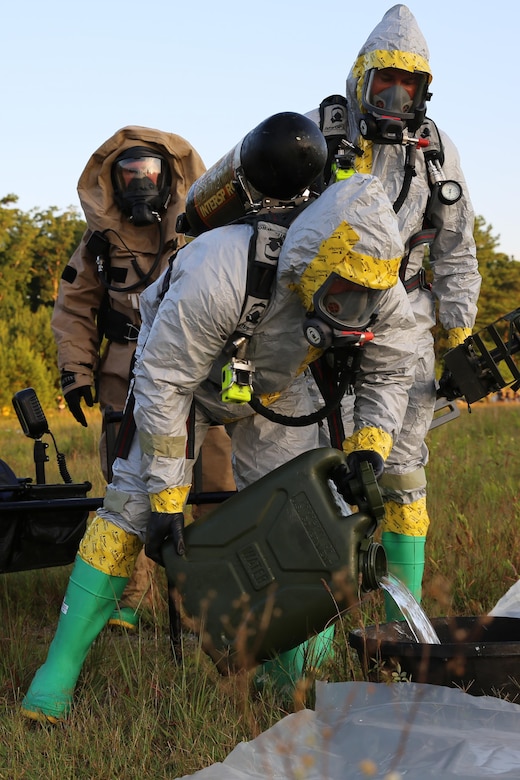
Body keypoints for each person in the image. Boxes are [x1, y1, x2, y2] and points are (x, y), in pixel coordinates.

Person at [21, 111, 419, 722]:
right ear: (316, 262)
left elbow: (390, 370)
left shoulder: (374, 282)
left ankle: (289, 674)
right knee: (126, 507)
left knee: (298, 512)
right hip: (190, 380)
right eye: (343, 293)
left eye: (368, 297)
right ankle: (59, 672)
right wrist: (165, 499)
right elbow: (161, 388)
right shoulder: (218, 268)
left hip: (280, 384)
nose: (357, 310)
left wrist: (368, 446)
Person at [308, 4, 481, 619]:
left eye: (411, 84)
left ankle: (402, 629)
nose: (397, 94)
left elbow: (457, 251)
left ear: (424, 90)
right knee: (323, 473)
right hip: (321, 325)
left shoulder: (436, 152)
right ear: (363, 77)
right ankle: (311, 634)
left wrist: (459, 338)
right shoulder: (318, 135)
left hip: (407, 323)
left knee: (404, 471)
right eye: (387, 80)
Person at [51, 126, 236, 628]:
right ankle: (129, 596)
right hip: (124, 378)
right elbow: (73, 306)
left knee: (214, 486)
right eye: (129, 174)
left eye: (149, 173)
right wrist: (75, 371)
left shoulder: (206, 231)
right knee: (125, 489)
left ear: (169, 177)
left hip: (199, 375)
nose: (140, 184)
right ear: (112, 181)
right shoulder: (99, 243)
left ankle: (206, 596)